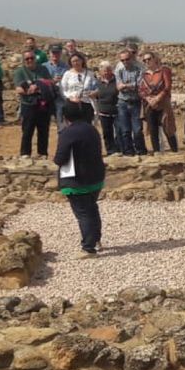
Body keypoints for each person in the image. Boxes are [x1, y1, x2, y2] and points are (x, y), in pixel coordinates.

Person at [54, 99, 107, 257]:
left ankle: (88, 247)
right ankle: (96, 239)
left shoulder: (67, 133)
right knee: (92, 208)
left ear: (65, 117)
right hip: (96, 177)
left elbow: (60, 158)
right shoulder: (92, 129)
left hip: (77, 180)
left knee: (83, 213)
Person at [12, 52, 51, 158]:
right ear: (24, 60)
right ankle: (25, 153)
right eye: (27, 58)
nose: (30, 60)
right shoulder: (20, 72)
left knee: (43, 130)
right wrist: (32, 90)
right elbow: (19, 89)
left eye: (32, 58)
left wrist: (36, 87)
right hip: (28, 104)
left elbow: (48, 82)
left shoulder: (43, 69)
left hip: (42, 103)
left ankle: (42, 153)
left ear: (35, 58)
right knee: (27, 130)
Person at [139, 50, 178, 153]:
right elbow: (141, 90)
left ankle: (174, 151)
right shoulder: (144, 75)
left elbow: (167, 86)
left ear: (154, 59)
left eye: (149, 59)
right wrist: (148, 99)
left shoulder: (164, 70)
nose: (147, 61)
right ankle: (156, 151)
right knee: (153, 129)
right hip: (150, 104)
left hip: (163, 103)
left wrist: (157, 98)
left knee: (167, 127)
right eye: (144, 60)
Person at [113, 48, 147, 156]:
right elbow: (118, 86)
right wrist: (129, 85)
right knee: (125, 130)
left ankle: (141, 151)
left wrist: (126, 85)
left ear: (131, 58)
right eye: (122, 60)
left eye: (127, 59)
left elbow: (139, 85)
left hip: (136, 101)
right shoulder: (119, 69)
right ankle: (128, 152)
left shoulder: (139, 69)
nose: (125, 62)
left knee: (137, 129)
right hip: (123, 102)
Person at [58, 52, 97, 124]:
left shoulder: (90, 74)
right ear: (70, 63)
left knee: (86, 127)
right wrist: (70, 97)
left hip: (86, 104)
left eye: (77, 60)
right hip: (71, 104)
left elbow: (96, 87)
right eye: (73, 61)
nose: (76, 63)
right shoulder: (67, 74)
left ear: (82, 61)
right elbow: (63, 89)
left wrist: (94, 93)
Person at [92, 61, 119, 155]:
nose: (106, 72)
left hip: (116, 111)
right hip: (103, 111)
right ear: (100, 72)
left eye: (108, 70)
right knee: (107, 133)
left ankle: (119, 149)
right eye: (104, 71)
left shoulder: (117, 81)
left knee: (119, 132)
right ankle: (110, 151)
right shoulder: (97, 83)